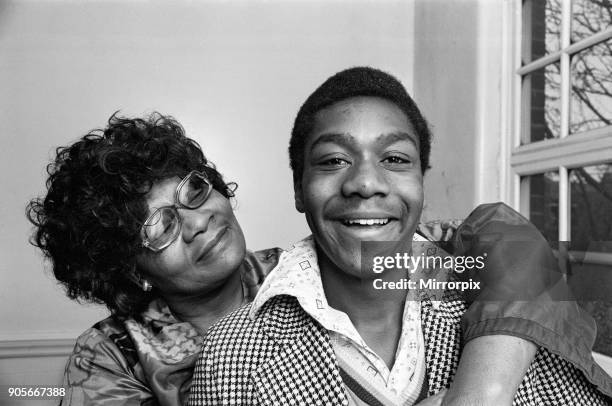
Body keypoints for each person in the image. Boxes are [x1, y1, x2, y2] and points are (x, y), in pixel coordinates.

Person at [188, 67, 612, 405]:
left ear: (421, 184)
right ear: (299, 189)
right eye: (334, 160)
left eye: (394, 158)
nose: (366, 182)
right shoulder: (231, 354)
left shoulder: (503, 295)